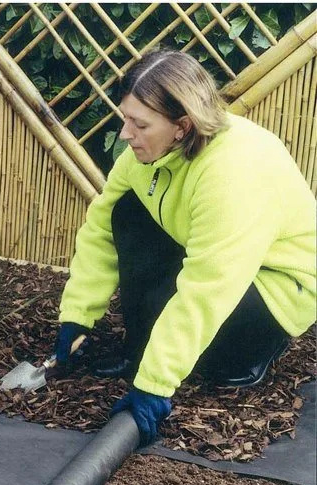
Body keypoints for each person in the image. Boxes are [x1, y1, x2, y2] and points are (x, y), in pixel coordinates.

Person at [54, 49, 316, 446]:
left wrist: (155, 385)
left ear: (182, 126)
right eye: (125, 118)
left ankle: (249, 354)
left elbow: (208, 287)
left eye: (139, 124)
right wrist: (77, 314)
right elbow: (101, 230)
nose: (125, 134)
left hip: (275, 284)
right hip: (210, 258)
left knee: (213, 365)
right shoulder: (142, 155)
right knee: (126, 211)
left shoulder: (233, 174)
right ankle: (140, 348)